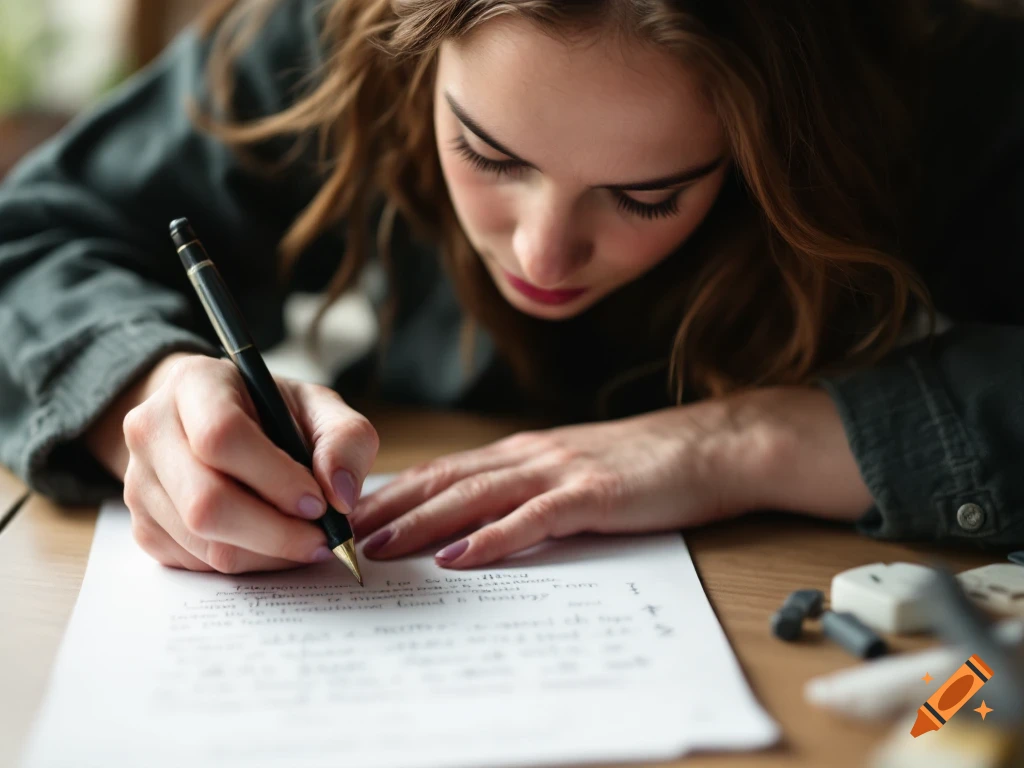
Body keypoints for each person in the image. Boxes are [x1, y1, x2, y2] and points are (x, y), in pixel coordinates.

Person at [0, 0, 1021, 575]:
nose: (541, 255)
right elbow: (37, 232)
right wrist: (148, 390)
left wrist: (753, 440)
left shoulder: (946, 87)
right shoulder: (329, 34)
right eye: (486, 155)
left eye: (645, 195)